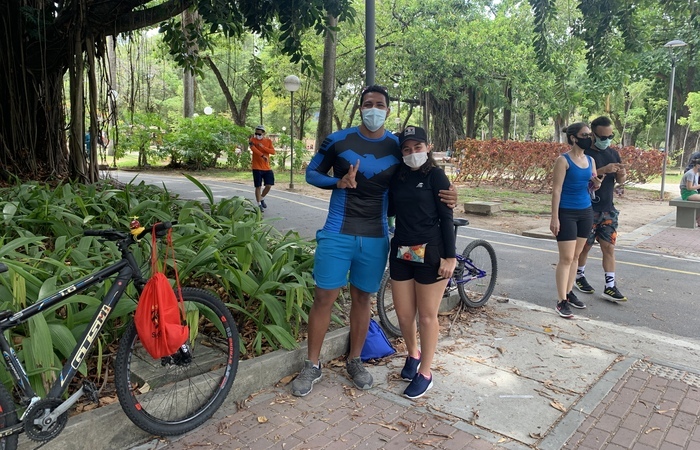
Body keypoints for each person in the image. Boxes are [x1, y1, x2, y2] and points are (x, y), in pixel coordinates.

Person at [292, 85, 456, 397]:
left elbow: (422, 172)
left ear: (388, 110)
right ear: (360, 108)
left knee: (363, 299)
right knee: (324, 297)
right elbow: (311, 173)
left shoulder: (398, 146)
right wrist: (337, 181)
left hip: (376, 236)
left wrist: (448, 194)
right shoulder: (339, 140)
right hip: (337, 232)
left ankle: (355, 360)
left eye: (380, 104)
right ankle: (312, 364)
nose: (373, 109)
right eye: (368, 103)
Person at [388, 126, 456, 399]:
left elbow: (446, 218)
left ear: (428, 147)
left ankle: (426, 373)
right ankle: (412, 354)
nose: (412, 153)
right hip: (401, 252)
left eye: (417, 147)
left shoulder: (437, 176)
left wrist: (450, 256)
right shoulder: (398, 176)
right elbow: (391, 208)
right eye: (406, 149)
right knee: (404, 314)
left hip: (431, 253)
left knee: (427, 316)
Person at [550, 122, 601, 318]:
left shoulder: (590, 160)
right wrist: (554, 217)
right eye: (585, 134)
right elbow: (556, 190)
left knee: (576, 257)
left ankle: (569, 293)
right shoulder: (563, 161)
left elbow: (591, 186)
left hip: (586, 211)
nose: (589, 137)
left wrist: (596, 184)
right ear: (573, 138)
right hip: (566, 212)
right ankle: (561, 301)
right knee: (565, 258)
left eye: (590, 134)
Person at [574, 116, 628, 302]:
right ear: (594, 134)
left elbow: (620, 181)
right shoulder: (584, 154)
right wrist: (603, 169)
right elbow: (580, 178)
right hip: (587, 209)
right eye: (603, 137)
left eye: (610, 136)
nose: (607, 140)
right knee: (584, 247)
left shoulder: (613, 154)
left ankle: (610, 286)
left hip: (607, 209)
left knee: (609, 248)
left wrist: (621, 175)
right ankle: (579, 276)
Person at [249, 125, 276, 210]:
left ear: (263, 133)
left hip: (267, 167)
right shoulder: (252, 139)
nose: (257, 135)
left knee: (269, 185)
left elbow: (273, 152)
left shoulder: (268, 141)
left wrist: (263, 147)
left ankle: (262, 197)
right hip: (256, 167)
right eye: (256, 133)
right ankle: (259, 204)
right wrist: (262, 155)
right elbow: (253, 148)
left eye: (259, 134)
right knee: (258, 186)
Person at [679, 160, 700, 227]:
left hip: (693, 192)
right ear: (697, 165)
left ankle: (698, 219)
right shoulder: (690, 174)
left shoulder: (696, 173)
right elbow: (689, 187)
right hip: (687, 193)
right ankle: (698, 220)